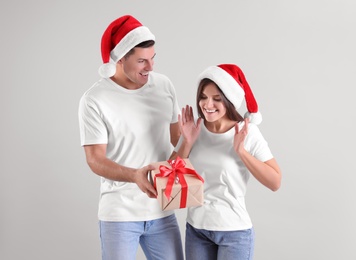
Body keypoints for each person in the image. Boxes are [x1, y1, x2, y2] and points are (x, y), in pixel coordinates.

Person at [78, 15, 183, 260]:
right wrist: (134, 175)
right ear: (121, 58)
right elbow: (94, 159)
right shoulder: (95, 99)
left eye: (153, 58)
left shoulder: (164, 86)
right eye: (142, 61)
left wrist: (192, 139)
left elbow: (178, 140)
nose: (151, 67)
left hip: (162, 210)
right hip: (119, 214)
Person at [171, 64, 282, 260]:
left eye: (216, 99)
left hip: (234, 233)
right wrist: (186, 142)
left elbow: (275, 182)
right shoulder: (194, 129)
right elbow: (169, 179)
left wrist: (241, 151)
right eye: (203, 97)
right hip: (197, 230)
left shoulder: (247, 132)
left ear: (229, 100)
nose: (207, 104)